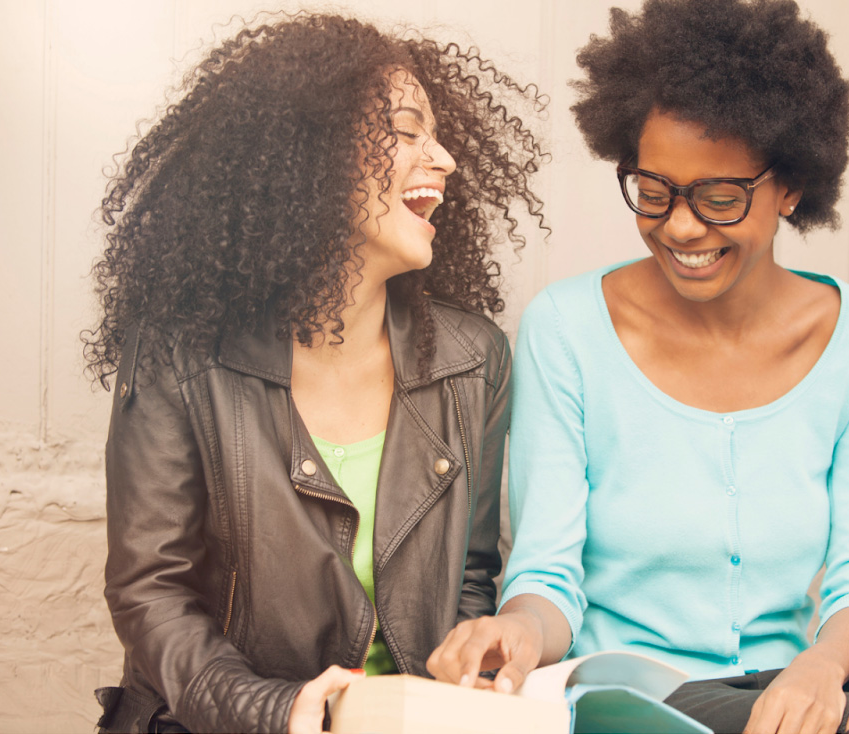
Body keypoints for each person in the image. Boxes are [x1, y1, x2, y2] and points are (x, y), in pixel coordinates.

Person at [427, 1, 849, 732]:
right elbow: (546, 574)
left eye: (720, 197)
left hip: (779, 674)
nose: (681, 226)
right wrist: (523, 629)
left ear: (789, 185)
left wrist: (819, 668)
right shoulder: (566, 328)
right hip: (625, 687)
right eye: (654, 190)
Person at [83, 12, 545, 733]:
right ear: (311, 152)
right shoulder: (179, 353)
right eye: (407, 129)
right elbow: (152, 592)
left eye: (439, 133)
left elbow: (470, 578)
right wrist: (284, 712)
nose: (445, 158)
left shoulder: (473, 358)